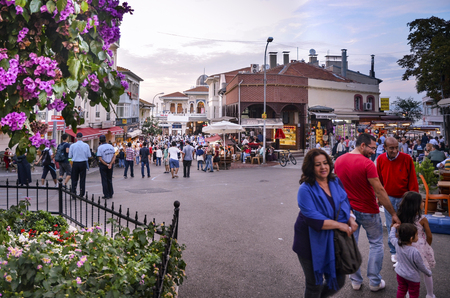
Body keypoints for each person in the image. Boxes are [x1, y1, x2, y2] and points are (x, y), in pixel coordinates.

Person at [334, 133, 400, 292]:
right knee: (376, 244)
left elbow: (336, 187)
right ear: (362, 145)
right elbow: (380, 191)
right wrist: (393, 213)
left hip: (348, 212)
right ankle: (375, 282)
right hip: (368, 210)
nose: (373, 151)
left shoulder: (339, 160)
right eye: (371, 148)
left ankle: (355, 281)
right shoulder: (367, 164)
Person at [293, 149, 358, 297]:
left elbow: (344, 202)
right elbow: (312, 217)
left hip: (334, 241)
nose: (323, 167)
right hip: (309, 241)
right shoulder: (305, 189)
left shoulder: (335, 181)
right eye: (318, 164)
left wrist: (351, 218)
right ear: (311, 167)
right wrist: (340, 225)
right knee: (314, 284)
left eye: (325, 163)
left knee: (339, 280)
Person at [376, 137, 419, 266]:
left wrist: (414, 199)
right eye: (391, 148)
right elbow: (379, 179)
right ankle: (394, 251)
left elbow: (412, 179)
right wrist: (379, 197)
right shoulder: (380, 159)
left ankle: (407, 250)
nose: (394, 150)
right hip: (388, 198)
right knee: (392, 226)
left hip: (405, 197)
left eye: (396, 147)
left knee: (406, 224)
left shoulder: (407, 158)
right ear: (385, 148)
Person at [397, 191, 436, 298]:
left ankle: (409, 293)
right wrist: (427, 245)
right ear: (416, 205)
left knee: (410, 270)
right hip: (421, 247)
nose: (423, 203)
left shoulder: (400, 217)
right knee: (426, 271)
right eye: (422, 202)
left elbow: (396, 231)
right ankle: (430, 294)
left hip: (406, 246)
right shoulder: (422, 219)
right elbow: (429, 235)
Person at [389, 223, 432, 298]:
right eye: (416, 235)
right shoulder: (414, 251)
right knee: (413, 293)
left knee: (401, 290)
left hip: (400, 274)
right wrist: (428, 272)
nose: (417, 236)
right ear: (411, 239)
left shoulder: (397, 244)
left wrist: (393, 228)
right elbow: (421, 265)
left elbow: (391, 237)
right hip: (412, 278)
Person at [68, 132, 91, 196]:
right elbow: (89, 155)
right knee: (82, 178)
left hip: (75, 162)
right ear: (82, 138)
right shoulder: (86, 145)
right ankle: (81, 192)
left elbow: (69, 156)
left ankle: (73, 192)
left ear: (76, 138)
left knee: (74, 178)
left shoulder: (72, 145)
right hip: (83, 162)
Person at [96, 135, 116, 199]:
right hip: (110, 163)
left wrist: (107, 164)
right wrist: (110, 164)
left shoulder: (100, 147)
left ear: (99, 140)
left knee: (104, 180)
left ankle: (106, 194)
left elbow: (100, 158)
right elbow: (114, 156)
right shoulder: (110, 146)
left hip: (103, 165)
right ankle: (111, 193)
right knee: (109, 179)